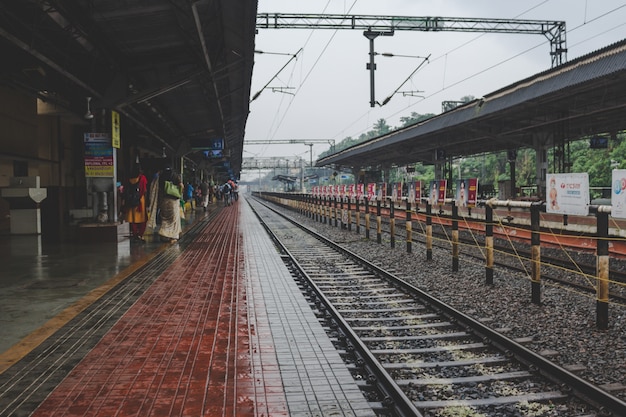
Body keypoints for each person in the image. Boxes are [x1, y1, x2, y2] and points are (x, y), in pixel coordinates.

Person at [147, 163, 183, 243]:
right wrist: (179, 192)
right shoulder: (175, 176)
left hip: (164, 200)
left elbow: (157, 189)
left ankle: (164, 234)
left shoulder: (161, 177)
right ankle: (173, 237)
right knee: (173, 219)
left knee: (165, 218)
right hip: (173, 201)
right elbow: (181, 185)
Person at [122, 165, 148, 242]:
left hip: (130, 201)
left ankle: (135, 234)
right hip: (140, 201)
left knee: (133, 218)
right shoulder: (142, 178)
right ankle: (140, 234)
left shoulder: (128, 179)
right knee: (142, 218)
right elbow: (144, 190)